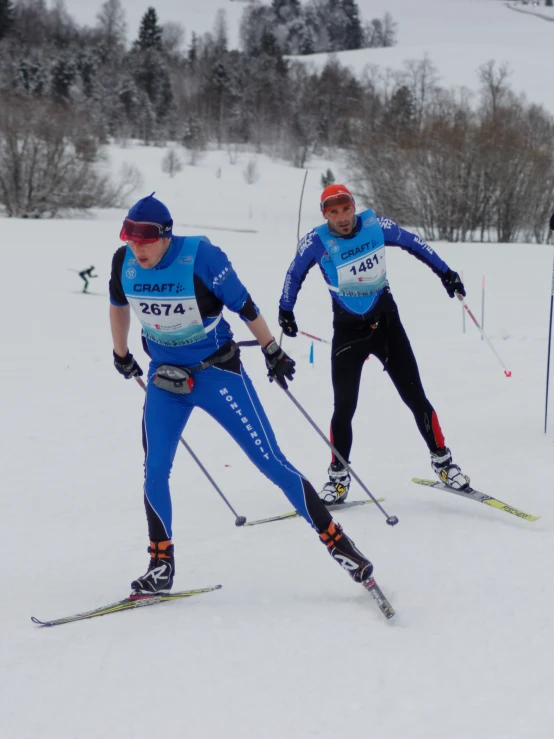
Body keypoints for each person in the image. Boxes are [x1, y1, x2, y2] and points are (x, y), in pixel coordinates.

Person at [109, 194, 375, 596]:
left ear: (166, 235)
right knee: (155, 469)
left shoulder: (201, 257)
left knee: (270, 462)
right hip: (166, 381)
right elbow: (118, 303)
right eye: (131, 239)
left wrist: (271, 349)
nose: (137, 248)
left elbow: (245, 306)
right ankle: (161, 563)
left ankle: (340, 545)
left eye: (145, 240)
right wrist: (121, 352)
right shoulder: (123, 261)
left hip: (217, 373)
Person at [277, 184, 470, 505]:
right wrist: (286, 310)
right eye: (333, 212)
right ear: (325, 215)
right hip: (348, 332)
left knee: (415, 397)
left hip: (387, 326)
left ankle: (444, 463)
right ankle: (338, 478)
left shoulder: (376, 227)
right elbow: (293, 274)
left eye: (346, 209)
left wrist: (446, 273)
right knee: (344, 407)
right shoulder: (315, 242)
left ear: (354, 207)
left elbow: (415, 244)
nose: (342, 218)